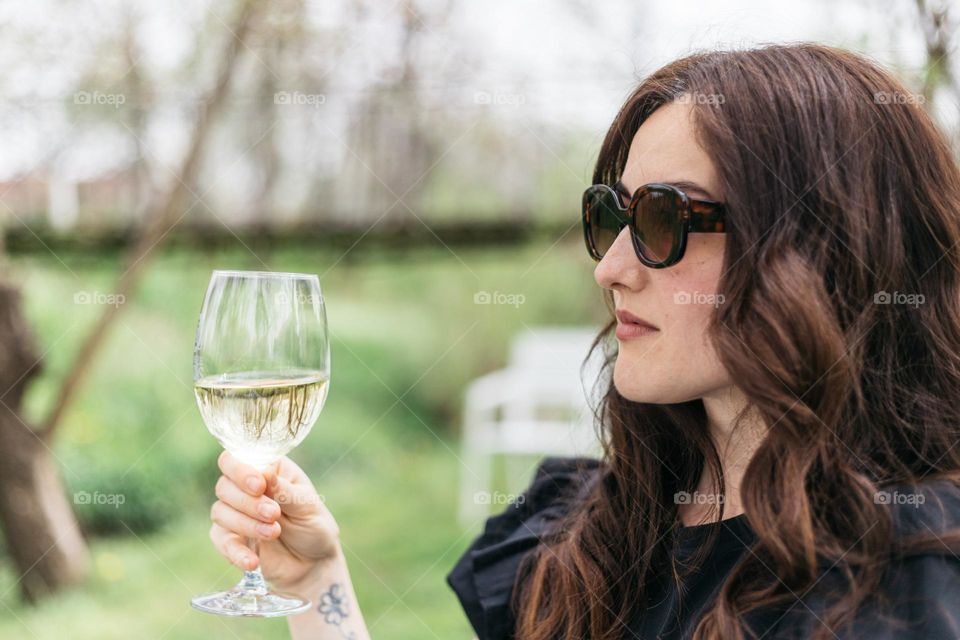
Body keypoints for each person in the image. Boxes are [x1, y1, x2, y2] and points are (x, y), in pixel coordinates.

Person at [209, 42, 960, 639]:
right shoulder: (599, 530)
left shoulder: (910, 580)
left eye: (664, 220)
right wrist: (315, 584)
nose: (610, 267)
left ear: (818, 248)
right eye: (612, 215)